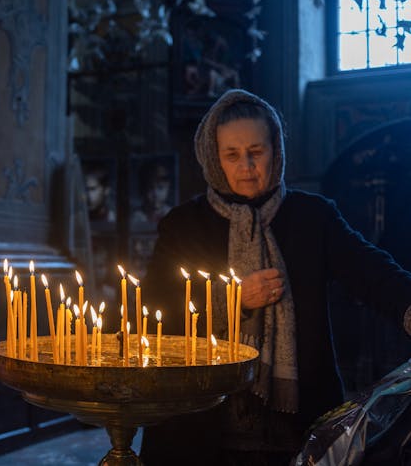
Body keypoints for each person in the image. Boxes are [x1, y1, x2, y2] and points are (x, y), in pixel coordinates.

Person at [140, 89, 411, 465]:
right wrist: (232, 299)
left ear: (276, 151)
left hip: (296, 427)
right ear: (214, 159)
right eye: (232, 155)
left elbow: (373, 272)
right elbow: (153, 308)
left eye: (257, 151)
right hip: (199, 423)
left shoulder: (313, 217)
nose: (246, 166)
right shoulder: (184, 225)